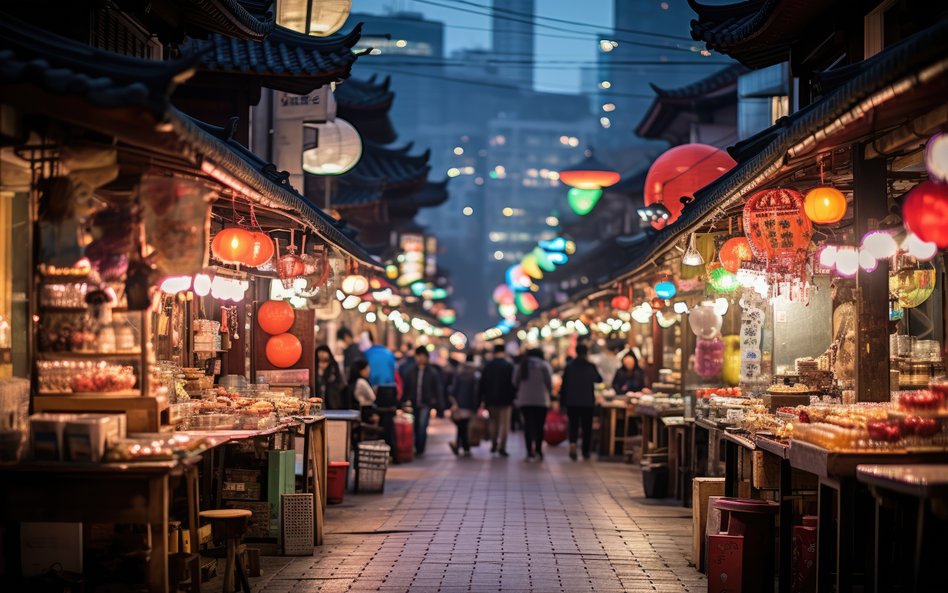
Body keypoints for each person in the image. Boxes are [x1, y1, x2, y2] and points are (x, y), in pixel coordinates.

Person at [560, 344, 602, 461]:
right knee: (586, 427)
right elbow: (599, 379)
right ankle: (585, 451)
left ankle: (573, 444)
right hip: (587, 401)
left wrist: (562, 402)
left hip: (572, 401)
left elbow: (564, 385)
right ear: (586, 352)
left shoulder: (569, 366)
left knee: (573, 425)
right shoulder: (590, 366)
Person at [512, 348, 553, 462]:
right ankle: (539, 451)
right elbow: (549, 382)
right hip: (541, 400)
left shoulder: (522, 365)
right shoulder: (544, 365)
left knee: (528, 425)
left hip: (524, 400)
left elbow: (515, 382)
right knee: (539, 426)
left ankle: (529, 451)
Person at [403, 346, 443, 455]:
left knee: (422, 425)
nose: (420, 358)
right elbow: (407, 387)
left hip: (426, 403)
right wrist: (404, 400)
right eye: (418, 356)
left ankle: (420, 448)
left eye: (422, 356)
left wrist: (439, 405)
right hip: (414, 402)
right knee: (416, 426)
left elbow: (437, 389)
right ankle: (417, 445)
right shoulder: (411, 371)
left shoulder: (432, 372)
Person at [362, 332, 398, 450]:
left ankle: (375, 449)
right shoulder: (389, 354)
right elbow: (393, 371)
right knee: (388, 423)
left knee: (373, 421)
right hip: (390, 391)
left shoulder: (367, 354)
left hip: (374, 390)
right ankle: (391, 449)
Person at [479, 343, 515, 457]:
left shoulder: (488, 366)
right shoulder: (509, 366)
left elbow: (482, 384)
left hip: (491, 399)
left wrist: (481, 399)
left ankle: (494, 443)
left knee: (493, 422)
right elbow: (513, 384)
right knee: (505, 424)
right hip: (506, 400)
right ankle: (502, 447)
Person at [448, 353, 480, 457]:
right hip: (471, 404)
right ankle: (464, 447)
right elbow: (477, 391)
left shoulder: (460, 373)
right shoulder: (476, 374)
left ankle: (460, 445)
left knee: (462, 426)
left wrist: (453, 401)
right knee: (464, 426)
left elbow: (454, 389)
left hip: (460, 404)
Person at [315, 344, 346, 409]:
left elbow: (339, 383)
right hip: (317, 401)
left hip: (332, 403)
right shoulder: (314, 368)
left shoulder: (333, 367)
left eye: (325, 361)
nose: (322, 364)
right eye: (320, 360)